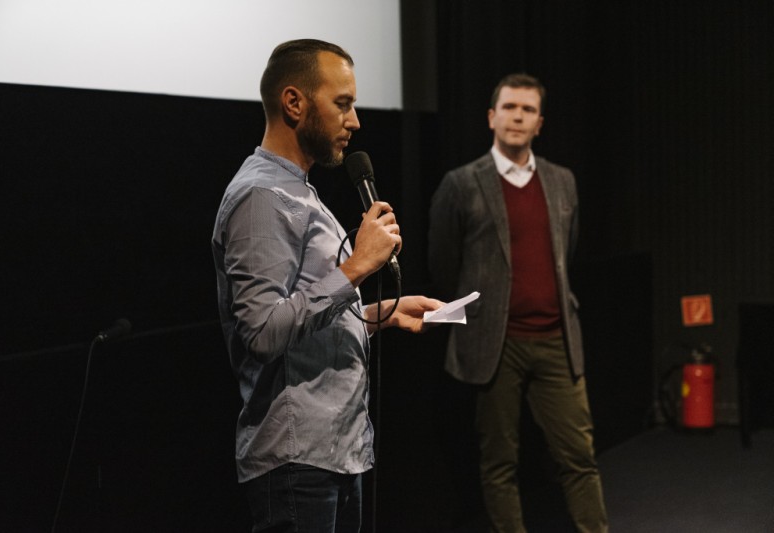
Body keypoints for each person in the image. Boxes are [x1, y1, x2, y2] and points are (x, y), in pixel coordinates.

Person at [211, 39, 442, 533]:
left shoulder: (298, 190)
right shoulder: (260, 197)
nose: (355, 120)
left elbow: (306, 318)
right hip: (297, 460)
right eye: (342, 103)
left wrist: (381, 314)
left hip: (336, 450)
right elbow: (262, 333)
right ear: (294, 103)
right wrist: (358, 266)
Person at [428, 73, 608, 532]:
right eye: (509, 107)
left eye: (527, 110)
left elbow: (569, 251)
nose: (517, 117)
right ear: (492, 117)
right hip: (496, 344)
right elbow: (443, 264)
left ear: (539, 123)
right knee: (499, 461)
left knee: (579, 457)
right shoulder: (461, 184)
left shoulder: (562, 181)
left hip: (556, 339)